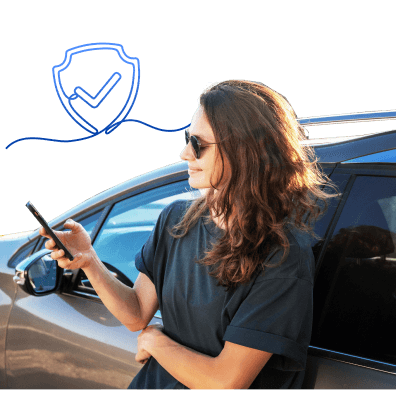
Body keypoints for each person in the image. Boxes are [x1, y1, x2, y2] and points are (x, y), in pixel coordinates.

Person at [39, 79, 337, 389]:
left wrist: (156, 342)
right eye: (187, 138)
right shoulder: (176, 220)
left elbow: (224, 382)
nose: (184, 153)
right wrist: (90, 262)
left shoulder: (283, 257)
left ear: (244, 152)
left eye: (197, 144)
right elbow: (137, 313)